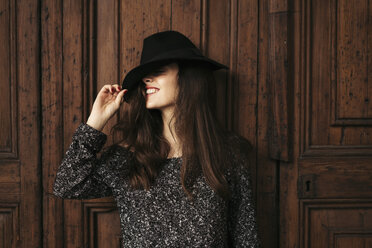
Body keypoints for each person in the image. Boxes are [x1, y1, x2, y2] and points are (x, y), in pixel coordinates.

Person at [53, 30, 261, 247]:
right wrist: (96, 121)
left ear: (188, 77)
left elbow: (246, 236)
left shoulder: (227, 152)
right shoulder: (127, 157)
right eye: (145, 75)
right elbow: (67, 185)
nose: (146, 79)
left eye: (159, 71)